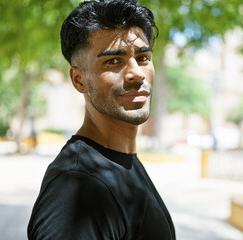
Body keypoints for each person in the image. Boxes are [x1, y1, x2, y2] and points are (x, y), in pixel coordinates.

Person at [27, 0, 176, 239]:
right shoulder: (78, 185)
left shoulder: (120, 160)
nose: (136, 73)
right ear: (79, 80)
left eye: (143, 57)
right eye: (113, 61)